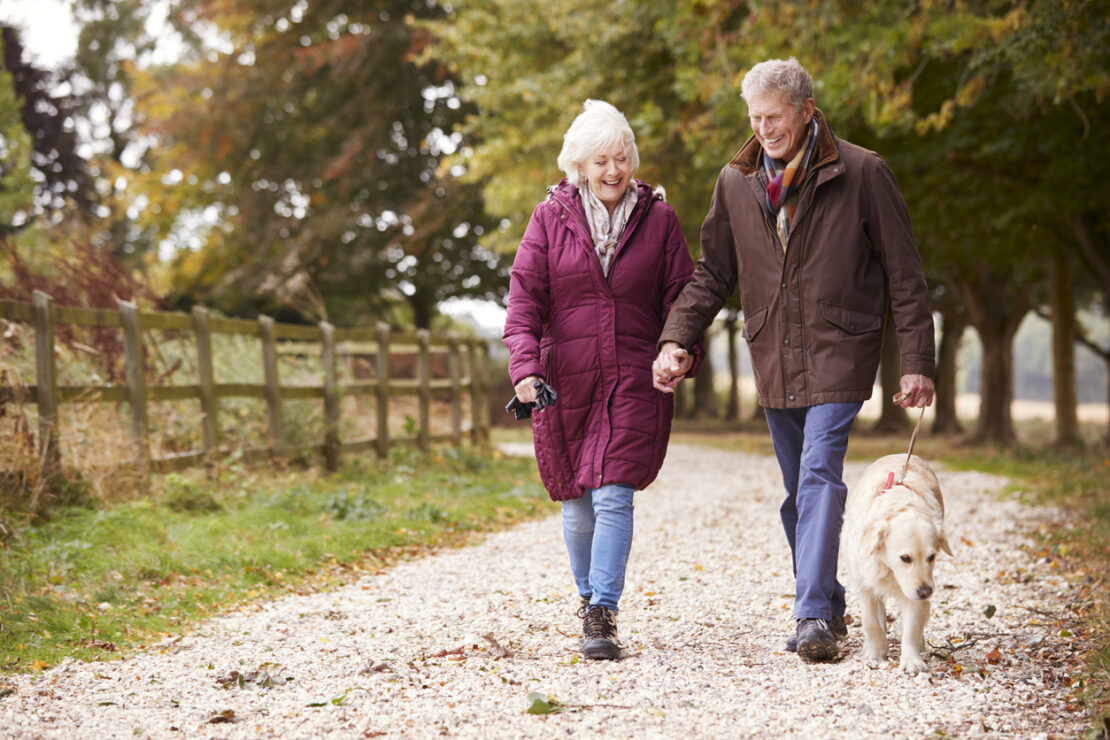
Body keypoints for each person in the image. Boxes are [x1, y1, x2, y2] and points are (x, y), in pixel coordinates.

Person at [652, 58, 935, 662]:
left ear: (806, 110)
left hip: (841, 347)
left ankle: (811, 616)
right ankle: (828, 601)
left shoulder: (862, 172)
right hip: (773, 351)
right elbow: (713, 273)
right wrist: (677, 337)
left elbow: (905, 275)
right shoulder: (736, 180)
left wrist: (916, 359)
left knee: (817, 476)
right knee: (796, 492)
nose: (762, 129)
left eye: (773, 117)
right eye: (754, 118)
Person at [503, 99, 699, 661]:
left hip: (637, 375)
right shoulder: (549, 218)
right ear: (579, 167)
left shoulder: (659, 220)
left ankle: (603, 612)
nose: (613, 171)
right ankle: (588, 601)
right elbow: (524, 302)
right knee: (576, 501)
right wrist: (525, 369)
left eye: (621, 158)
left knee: (614, 493)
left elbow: (682, 299)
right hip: (565, 377)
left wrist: (679, 349)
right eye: (600, 162)